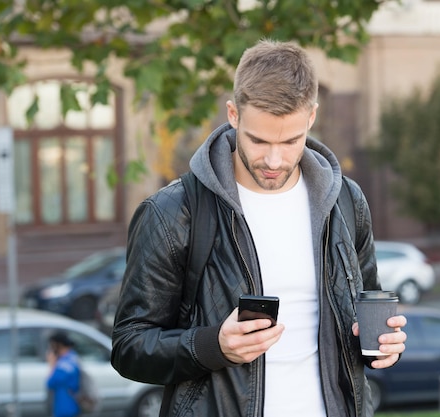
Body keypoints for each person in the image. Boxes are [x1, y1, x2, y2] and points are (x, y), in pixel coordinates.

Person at [111, 39, 407, 417]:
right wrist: (212, 346)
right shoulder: (172, 213)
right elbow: (129, 347)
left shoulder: (345, 202)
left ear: (311, 118)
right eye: (258, 140)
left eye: (290, 141)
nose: (273, 159)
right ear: (233, 115)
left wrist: (386, 344)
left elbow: (366, 313)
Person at [46, 331, 80, 417]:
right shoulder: (72, 357)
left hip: (66, 408)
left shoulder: (65, 364)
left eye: (52, 346)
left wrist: (52, 364)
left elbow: (51, 383)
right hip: (69, 406)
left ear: (58, 345)